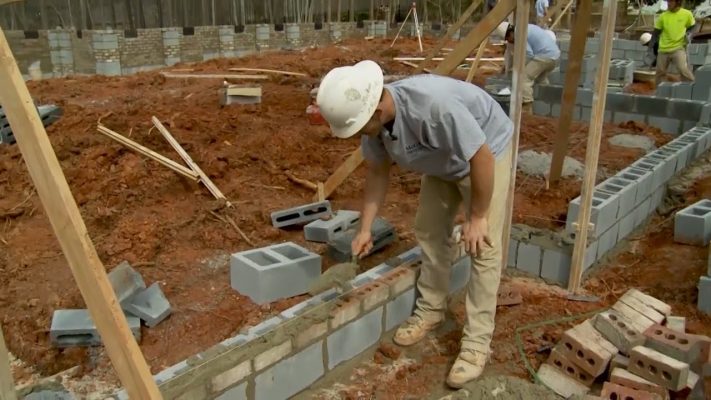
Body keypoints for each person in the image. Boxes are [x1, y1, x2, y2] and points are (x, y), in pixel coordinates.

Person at [315, 60, 515, 389]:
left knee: (483, 246)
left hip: (486, 152)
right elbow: (378, 172)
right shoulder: (375, 126)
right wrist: (364, 228)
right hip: (444, 160)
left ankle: (477, 344)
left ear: (377, 108)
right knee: (429, 229)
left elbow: (481, 156)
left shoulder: (433, 108)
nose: (359, 133)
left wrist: (477, 217)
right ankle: (432, 308)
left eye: (359, 126)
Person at [496, 22, 560, 114]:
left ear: (510, 33)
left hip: (544, 56)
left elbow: (529, 54)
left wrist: (518, 68)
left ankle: (527, 106)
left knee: (524, 78)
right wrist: (506, 67)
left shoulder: (519, 33)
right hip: (554, 56)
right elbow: (509, 54)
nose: (508, 41)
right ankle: (547, 103)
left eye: (507, 39)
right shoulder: (520, 28)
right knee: (539, 80)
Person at [653, 0, 696, 84]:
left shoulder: (687, 14)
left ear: (678, 2)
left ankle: (694, 87)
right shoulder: (663, 16)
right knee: (660, 73)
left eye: (671, 2)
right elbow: (655, 33)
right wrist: (651, 50)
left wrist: (689, 34)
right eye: (668, 1)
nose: (668, 4)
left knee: (683, 69)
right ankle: (659, 91)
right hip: (663, 49)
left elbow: (693, 26)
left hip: (678, 48)